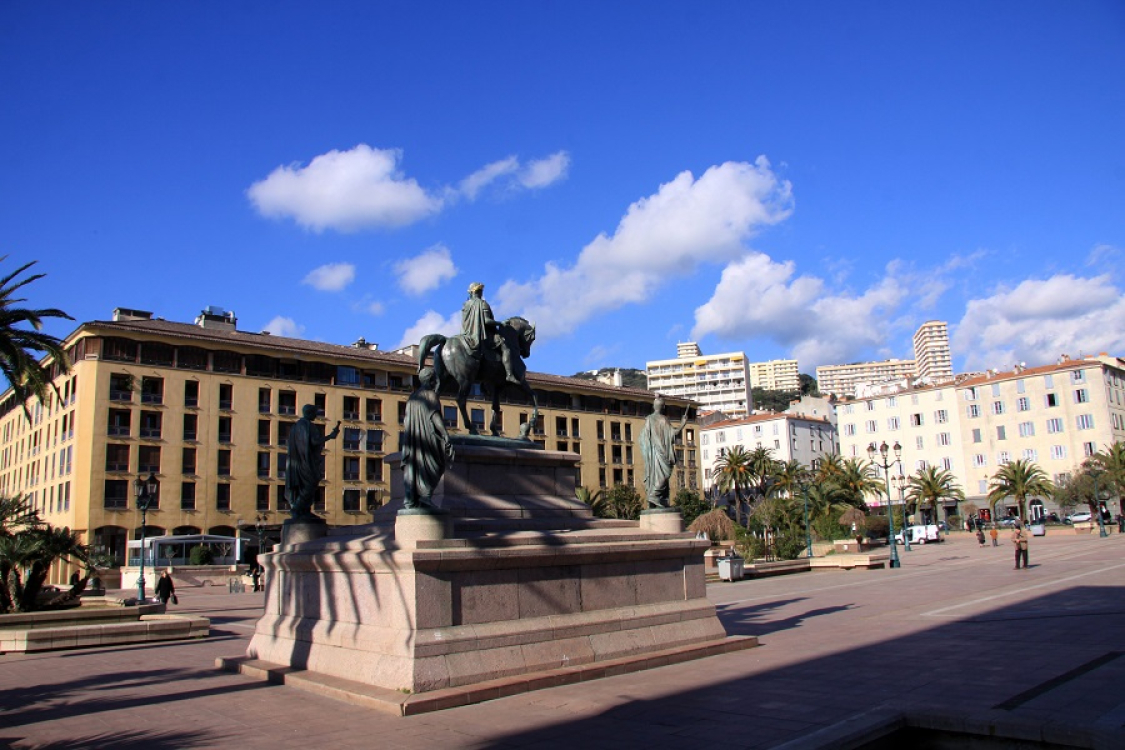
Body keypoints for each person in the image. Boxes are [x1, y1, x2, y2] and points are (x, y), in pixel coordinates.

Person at [402, 367, 454, 510]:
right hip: (428, 438)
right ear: (432, 380)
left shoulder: (412, 398)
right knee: (435, 466)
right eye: (435, 379)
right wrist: (445, 434)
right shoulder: (431, 395)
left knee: (418, 467)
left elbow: (406, 421)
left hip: (414, 440)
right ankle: (425, 496)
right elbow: (434, 416)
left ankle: (417, 497)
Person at [285, 404, 340, 521]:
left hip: (296, 463)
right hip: (307, 462)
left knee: (302, 486)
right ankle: (297, 509)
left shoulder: (295, 426)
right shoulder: (309, 426)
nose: (316, 415)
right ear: (310, 413)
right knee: (310, 485)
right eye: (315, 413)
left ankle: (304, 511)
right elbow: (314, 442)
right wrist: (330, 436)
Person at [461, 282, 519, 385]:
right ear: (480, 291)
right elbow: (487, 321)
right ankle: (509, 374)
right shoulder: (483, 304)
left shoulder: (466, 304)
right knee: (505, 345)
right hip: (480, 334)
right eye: (481, 291)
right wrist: (500, 323)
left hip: (466, 334)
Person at [639, 396, 691, 508]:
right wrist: (683, 423)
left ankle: (657, 498)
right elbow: (674, 433)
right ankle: (654, 495)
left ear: (654, 406)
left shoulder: (648, 419)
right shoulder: (663, 419)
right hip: (660, 452)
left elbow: (642, 438)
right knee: (665, 474)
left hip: (652, 453)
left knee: (657, 476)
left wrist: (648, 451)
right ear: (663, 407)